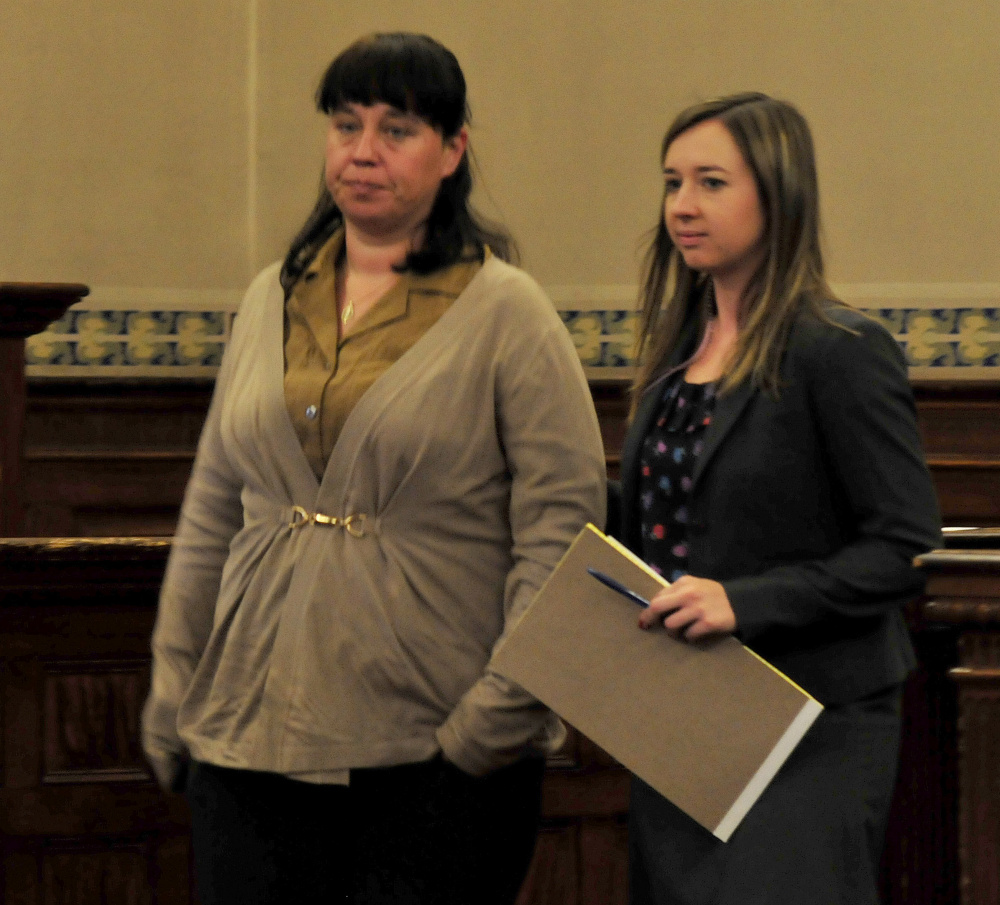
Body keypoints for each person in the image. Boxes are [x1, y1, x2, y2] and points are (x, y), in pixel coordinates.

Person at [141, 32, 606, 905]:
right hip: (248, 737)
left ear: (454, 149)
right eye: (345, 124)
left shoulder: (508, 312)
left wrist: (489, 724)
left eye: (397, 129)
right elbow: (212, 506)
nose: (362, 151)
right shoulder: (268, 294)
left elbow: (561, 534)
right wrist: (174, 686)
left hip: (430, 751)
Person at [615, 92, 941, 904]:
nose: (683, 206)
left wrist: (745, 601)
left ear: (779, 192)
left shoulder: (839, 348)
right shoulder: (670, 361)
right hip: (684, 720)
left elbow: (903, 546)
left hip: (813, 723)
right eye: (672, 182)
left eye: (712, 182)